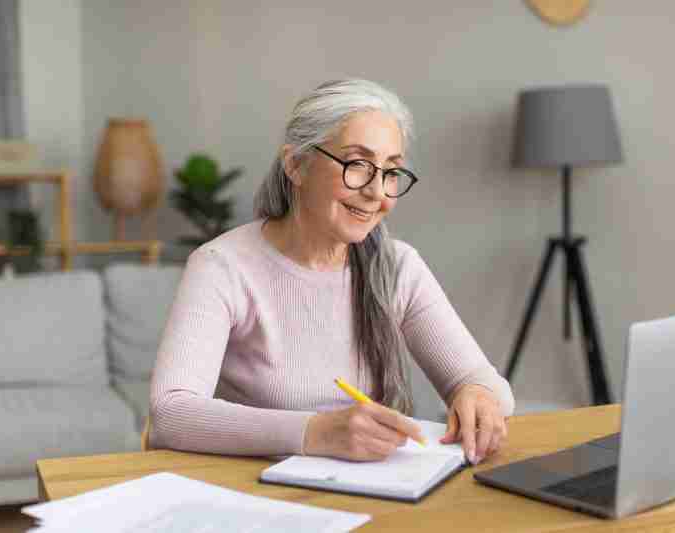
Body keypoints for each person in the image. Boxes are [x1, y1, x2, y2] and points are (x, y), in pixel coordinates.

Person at [149, 79, 515, 466]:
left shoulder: (398, 266)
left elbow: (490, 386)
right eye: (357, 165)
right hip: (258, 492)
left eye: (391, 172)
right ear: (295, 165)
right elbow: (171, 413)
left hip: (371, 493)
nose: (377, 192)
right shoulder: (222, 266)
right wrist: (316, 432)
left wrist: (476, 393)